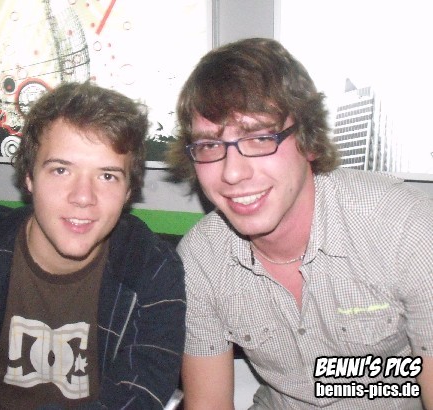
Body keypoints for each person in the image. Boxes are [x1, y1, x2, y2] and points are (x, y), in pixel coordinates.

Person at [167, 38, 433, 409]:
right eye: (210, 145)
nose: (232, 173)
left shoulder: (403, 226)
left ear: (308, 141)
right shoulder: (202, 259)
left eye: (259, 138)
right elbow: (208, 403)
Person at [0, 81, 186, 409]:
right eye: (61, 170)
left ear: (129, 191)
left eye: (107, 176)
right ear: (29, 177)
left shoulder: (152, 269)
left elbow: (140, 395)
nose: (83, 197)